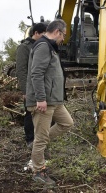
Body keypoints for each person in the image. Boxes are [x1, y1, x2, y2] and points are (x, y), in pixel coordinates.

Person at [26, 19, 74, 185]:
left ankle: (37, 146)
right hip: (44, 101)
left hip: (54, 100)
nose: (63, 39)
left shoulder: (51, 47)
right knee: (41, 137)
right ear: (57, 32)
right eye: (64, 35)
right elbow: (36, 74)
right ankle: (38, 171)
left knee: (67, 123)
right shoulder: (43, 46)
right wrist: (40, 98)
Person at [16, 23, 47, 147]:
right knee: (30, 113)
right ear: (36, 33)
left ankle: (41, 137)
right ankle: (30, 139)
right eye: (44, 33)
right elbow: (21, 70)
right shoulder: (24, 48)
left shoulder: (43, 46)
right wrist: (24, 90)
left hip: (42, 86)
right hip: (30, 87)